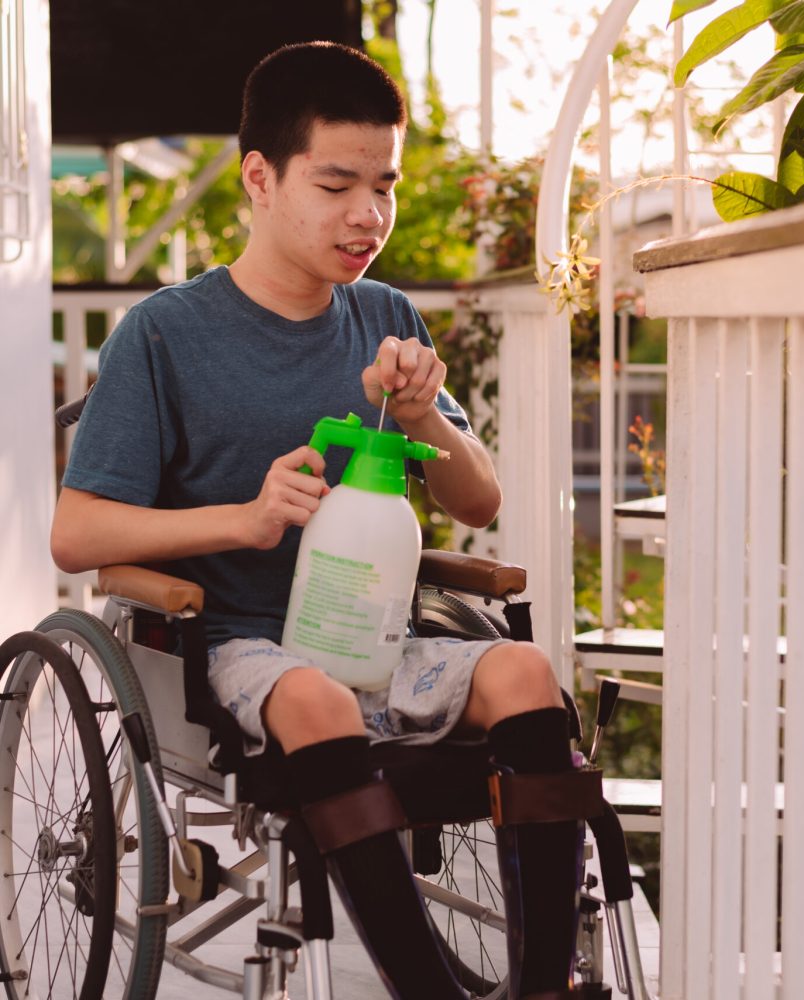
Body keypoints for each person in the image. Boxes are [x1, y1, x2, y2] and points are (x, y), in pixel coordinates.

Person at [52, 41, 590, 1000]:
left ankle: (542, 986)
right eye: (338, 184)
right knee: (317, 700)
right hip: (233, 651)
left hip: (380, 638)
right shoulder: (165, 335)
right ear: (260, 177)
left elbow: (478, 501)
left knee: (523, 667)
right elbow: (79, 534)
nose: (369, 215)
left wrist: (426, 415)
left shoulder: (384, 314)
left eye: (382, 185)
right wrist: (242, 518)